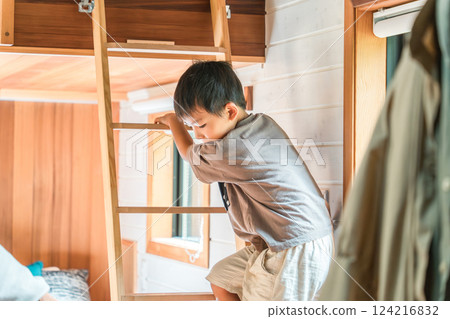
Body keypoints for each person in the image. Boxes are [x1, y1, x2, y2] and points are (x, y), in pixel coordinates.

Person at [155, 61, 334, 301]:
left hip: (296, 244)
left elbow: (188, 153)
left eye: (200, 125)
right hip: (285, 240)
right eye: (191, 126)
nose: (197, 134)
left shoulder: (234, 150)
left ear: (229, 111)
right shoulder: (261, 123)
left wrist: (174, 123)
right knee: (222, 279)